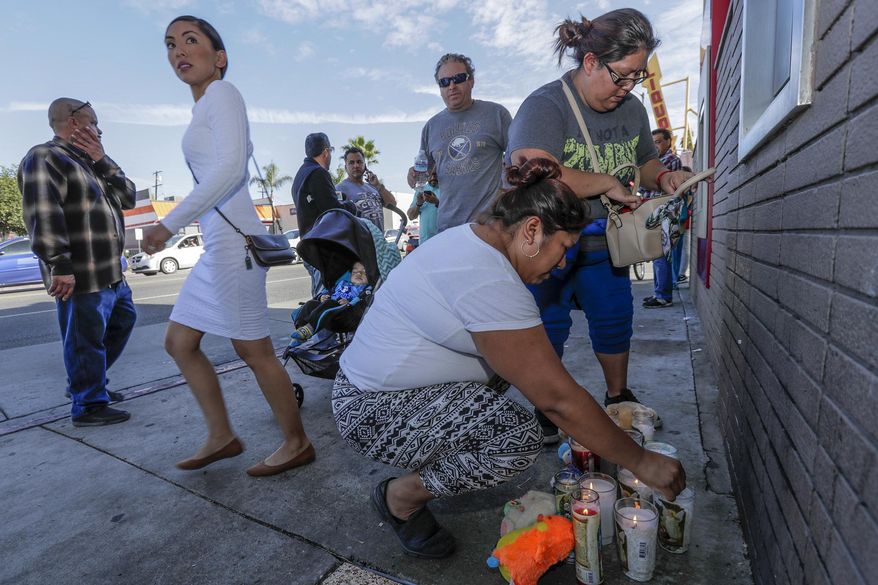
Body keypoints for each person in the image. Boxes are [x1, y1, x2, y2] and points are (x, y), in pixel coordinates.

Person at [333, 158, 685, 559]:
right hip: (367, 410)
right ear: (532, 230)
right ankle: (401, 497)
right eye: (564, 248)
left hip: (372, 389)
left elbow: (542, 379)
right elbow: (557, 398)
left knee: (520, 374)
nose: (564, 264)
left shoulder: (472, 241)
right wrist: (641, 461)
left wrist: (584, 425)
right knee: (513, 439)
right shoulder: (488, 277)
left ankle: (430, 460)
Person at [508, 9, 694, 441]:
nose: (629, 89)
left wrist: (664, 177)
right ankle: (546, 405)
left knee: (614, 317)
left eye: (638, 78)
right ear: (590, 62)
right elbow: (533, 167)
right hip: (550, 245)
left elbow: (645, 162)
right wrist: (605, 183)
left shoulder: (631, 111)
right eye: (622, 76)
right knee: (547, 324)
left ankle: (617, 396)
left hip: (605, 241)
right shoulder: (546, 104)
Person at [143, 15, 314, 477]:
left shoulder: (223, 94)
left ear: (218, 58)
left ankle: (296, 442)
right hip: (218, 247)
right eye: (170, 43)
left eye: (191, 41)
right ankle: (222, 436)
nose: (178, 50)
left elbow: (231, 169)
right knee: (180, 342)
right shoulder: (203, 108)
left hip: (234, 246)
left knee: (253, 351)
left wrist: (169, 224)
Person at [19, 98, 137, 427]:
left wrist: (102, 160)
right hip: (81, 272)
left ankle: (87, 385)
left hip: (110, 271)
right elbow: (43, 214)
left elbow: (128, 196)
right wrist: (60, 265)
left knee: (123, 322)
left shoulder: (91, 162)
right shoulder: (45, 157)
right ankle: (88, 405)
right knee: (84, 337)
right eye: (95, 122)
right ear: (76, 122)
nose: (101, 130)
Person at [406, 53, 512, 232]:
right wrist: (413, 175)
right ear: (439, 88)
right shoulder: (431, 127)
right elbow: (422, 173)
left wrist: (502, 199)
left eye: (458, 79)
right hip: (448, 229)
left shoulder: (496, 115)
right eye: (444, 82)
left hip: (491, 227)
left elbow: (517, 163)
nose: (452, 86)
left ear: (471, 81)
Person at [292, 132, 348, 296]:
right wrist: (351, 206)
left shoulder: (300, 174)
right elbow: (332, 210)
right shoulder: (318, 173)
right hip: (322, 247)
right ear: (326, 152)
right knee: (324, 299)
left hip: (309, 244)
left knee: (319, 295)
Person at [641, 128, 682, 308]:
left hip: (664, 212)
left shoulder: (671, 160)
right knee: (656, 254)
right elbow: (643, 188)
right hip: (652, 212)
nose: (655, 145)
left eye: (658, 141)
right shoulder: (654, 163)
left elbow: (660, 186)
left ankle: (663, 295)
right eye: (653, 142)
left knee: (660, 254)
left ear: (668, 142)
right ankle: (659, 292)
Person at [289, 261, 372, 346]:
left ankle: (309, 328)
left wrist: (349, 303)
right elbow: (329, 292)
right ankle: (300, 332)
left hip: (345, 316)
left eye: (364, 272)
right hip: (327, 314)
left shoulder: (365, 289)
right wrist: (322, 297)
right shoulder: (341, 283)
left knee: (330, 303)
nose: (359, 274)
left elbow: (361, 302)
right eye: (355, 272)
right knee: (310, 304)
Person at [336, 147, 396, 231]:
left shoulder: (374, 187)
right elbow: (338, 219)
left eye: (359, 162)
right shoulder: (340, 189)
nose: (356, 165)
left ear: (365, 166)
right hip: (357, 242)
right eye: (351, 163)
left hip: (378, 241)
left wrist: (378, 185)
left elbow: (393, 204)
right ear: (346, 167)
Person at [407, 171, 440, 244]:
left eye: (435, 174)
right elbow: (411, 216)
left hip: (443, 241)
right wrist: (418, 204)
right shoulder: (421, 189)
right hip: (425, 243)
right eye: (431, 174)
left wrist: (437, 202)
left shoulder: (447, 189)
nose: (433, 177)